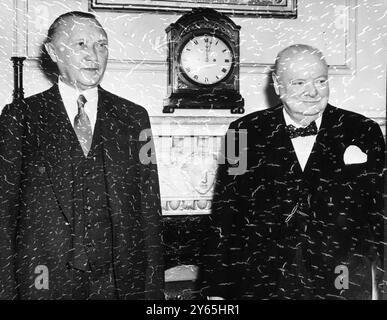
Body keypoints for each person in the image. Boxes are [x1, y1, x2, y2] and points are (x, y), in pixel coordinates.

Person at [199, 44, 385, 300]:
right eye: (299, 83)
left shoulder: (363, 130)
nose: (312, 91)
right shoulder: (240, 132)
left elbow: (382, 214)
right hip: (264, 283)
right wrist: (216, 289)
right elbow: (225, 215)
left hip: (342, 282)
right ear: (277, 85)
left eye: (321, 80)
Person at [0, 11, 164, 299]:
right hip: (43, 280)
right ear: (53, 51)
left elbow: (149, 209)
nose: (94, 56)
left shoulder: (135, 118)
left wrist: (153, 291)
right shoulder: (20, 117)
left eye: (101, 45)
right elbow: (4, 214)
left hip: (118, 281)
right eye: (80, 45)